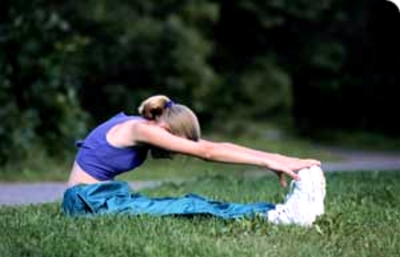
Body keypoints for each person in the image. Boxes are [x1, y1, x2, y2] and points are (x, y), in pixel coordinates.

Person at [62, 95, 326, 226]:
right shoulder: (142, 129)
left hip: (99, 196)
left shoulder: (139, 123)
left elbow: (209, 146)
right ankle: (279, 216)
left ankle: (280, 210)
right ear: (169, 128)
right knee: (187, 206)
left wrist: (278, 159)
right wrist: (272, 161)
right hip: (88, 203)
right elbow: (208, 151)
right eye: (181, 142)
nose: (178, 151)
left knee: (193, 202)